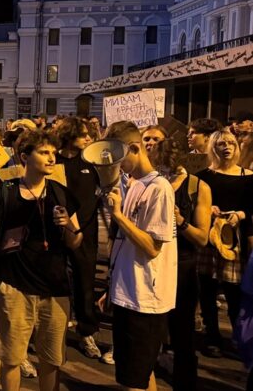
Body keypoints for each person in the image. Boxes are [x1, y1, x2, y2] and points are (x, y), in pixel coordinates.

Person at [0, 129, 83, 391]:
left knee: (51, 360)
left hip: (54, 290)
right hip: (14, 286)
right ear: (25, 157)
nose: (51, 158)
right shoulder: (5, 191)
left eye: (53, 153)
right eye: (44, 152)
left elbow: (75, 241)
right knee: (11, 358)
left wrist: (68, 225)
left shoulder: (60, 193)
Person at [104, 121, 177, 391]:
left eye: (118, 157)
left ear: (134, 148)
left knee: (134, 380)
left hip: (145, 299)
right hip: (128, 292)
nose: (116, 165)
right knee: (140, 375)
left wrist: (119, 217)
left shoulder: (159, 189)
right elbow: (124, 244)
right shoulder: (134, 184)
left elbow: (152, 247)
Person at [148, 138, 212, 390]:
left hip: (183, 268)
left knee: (183, 333)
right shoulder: (150, 183)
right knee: (151, 332)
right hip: (152, 264)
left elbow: (202, 238)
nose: (164, 174)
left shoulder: (197, 187)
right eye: (160, 168)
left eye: (168, 169)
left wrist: (180, 221)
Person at [196, 128, 253, 358]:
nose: (227, 147)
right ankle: (212, 337)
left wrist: (241, 214)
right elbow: (195, 205)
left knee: (234, 293)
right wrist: (208, 208)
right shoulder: (204, 177)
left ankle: (239, 337)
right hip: (209, 239)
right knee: (207, 291)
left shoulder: (248, 176)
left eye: (231, 143)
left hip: (235, 242)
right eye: (221, 144)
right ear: (213, 148)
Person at [55, 117, 103, 360]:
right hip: (58, 230)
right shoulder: (53, 160)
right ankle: (57, 329)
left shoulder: (91, 161)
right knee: (58, 280)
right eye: (82, 134)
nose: (88, 139)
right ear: (69, 135)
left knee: (85, 281)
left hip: (87, 230)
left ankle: (87, 331)